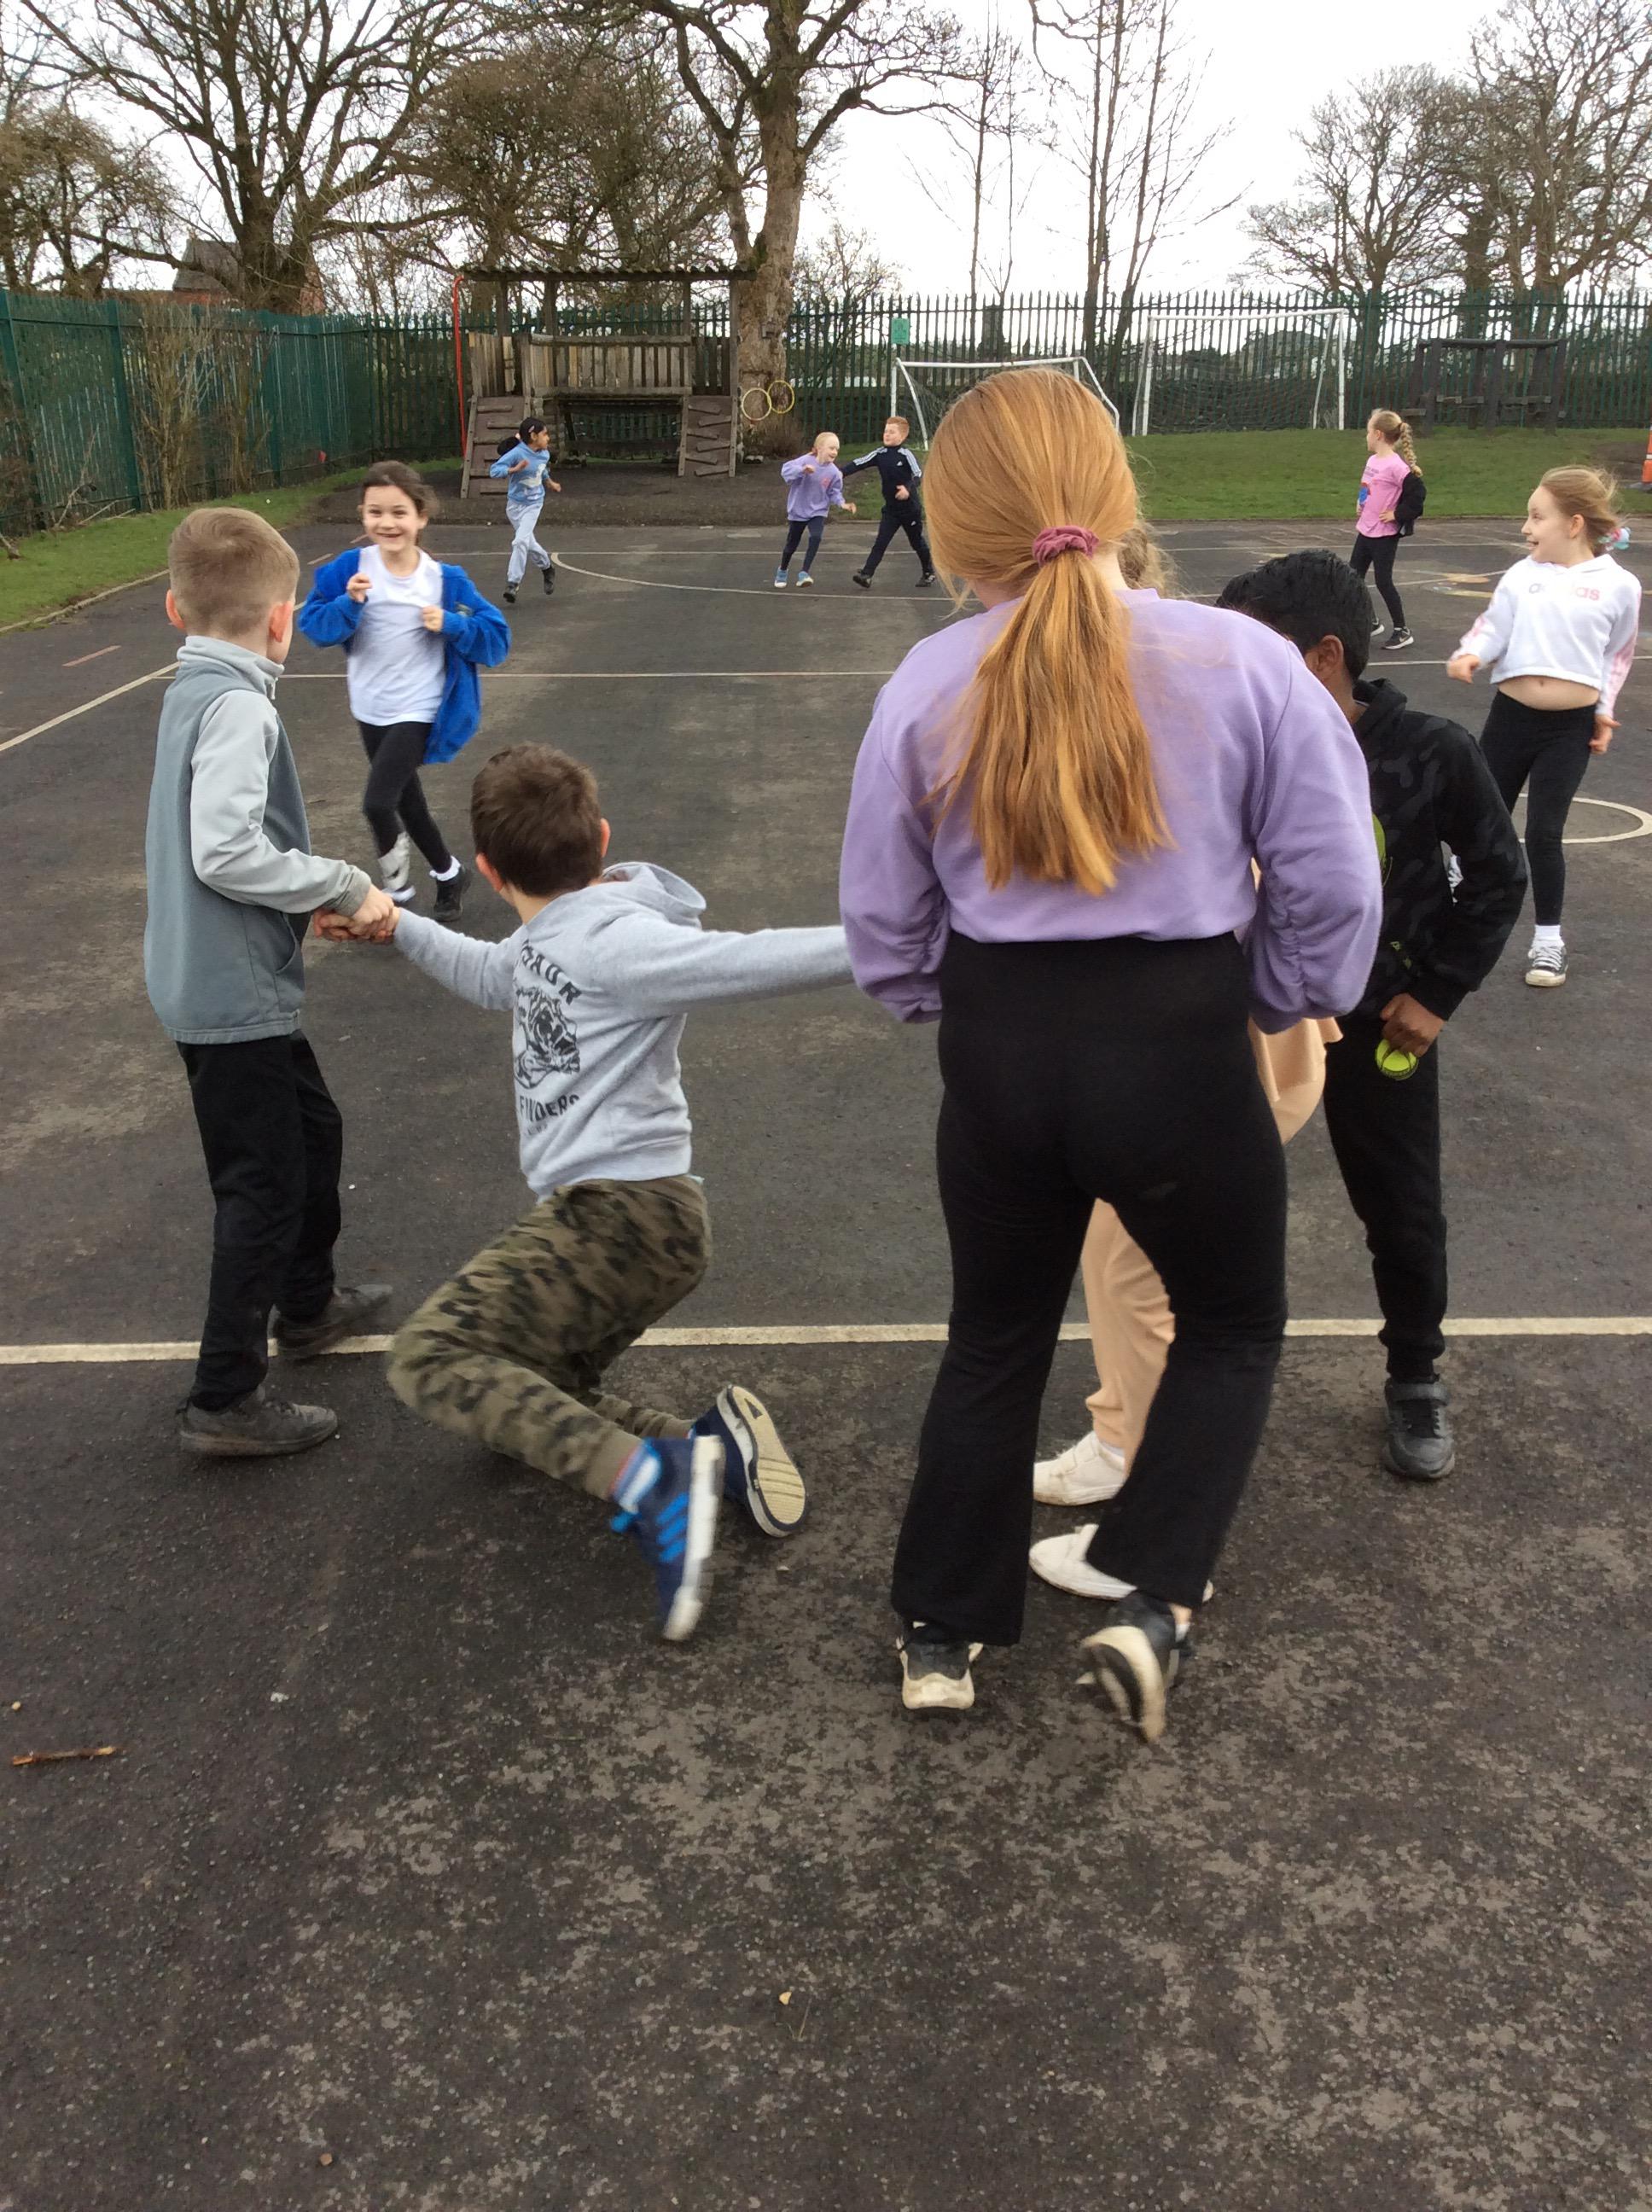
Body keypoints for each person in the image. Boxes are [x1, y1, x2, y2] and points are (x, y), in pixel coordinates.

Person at [839, 368, 1382, 1738]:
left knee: (994, 1336)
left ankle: (941, 1633)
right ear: (1116, 493)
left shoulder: (927, 680)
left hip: (1003, 1046)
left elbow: (885, 926)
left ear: (954, 528)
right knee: (1234, 1323)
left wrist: (954, 1012)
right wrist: (1275, 996)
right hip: (1180, 1039)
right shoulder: (1243, 660)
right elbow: (1334, 887)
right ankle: (1153, 1602)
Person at [317, 743, 852, 1642]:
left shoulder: (616, 941)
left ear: (486, 869)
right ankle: (703, 1450)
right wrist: (395, 925)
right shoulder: (546, 940)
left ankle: (655, 1484)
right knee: (526, 1395)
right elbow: (493, 975)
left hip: (621, 1217)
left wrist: (908, 943)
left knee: (430, 1359)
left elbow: (749, 960)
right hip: (638, 1222)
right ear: (600, 837)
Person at [1028, 520, 1337, 1588]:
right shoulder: (1140, 679)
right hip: (1178, 1028)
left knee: (1140, 1265)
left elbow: (1309, 870)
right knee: (1115, 1254)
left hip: (1222, 1031)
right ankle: (1122, 1437)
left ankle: (1158, 1537)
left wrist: (1285, 997)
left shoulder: (1189, 679)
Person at [1219, 549, 1527, 1480]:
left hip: (1380, 1020)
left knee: (1401, 1208)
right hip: (1253, 1020)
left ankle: (1415, 1375)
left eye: (1258, 654)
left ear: (1324, 656)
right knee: (1216, 1200)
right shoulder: (1237, 746)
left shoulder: (1429, 751)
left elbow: (1497, 877)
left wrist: (1435, 995)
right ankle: (1203, 1374)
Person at [143, 507, 399, 1458]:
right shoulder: (240, 705)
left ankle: (308, 1304)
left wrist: (298, 901)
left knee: (314, 1135)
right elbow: (223, 851)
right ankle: (225, 1396)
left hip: (225, 976)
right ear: (285, 618)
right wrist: (341, 883)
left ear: (176, 610)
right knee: (263, 1187)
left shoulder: (195, 684)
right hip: (229, 991)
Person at [1447, 467, 1641, 989]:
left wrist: (1603, 710)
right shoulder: (1520, 575)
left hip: (1569, 729)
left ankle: (1548, 943)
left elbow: (1616, 657)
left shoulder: (1620, 586)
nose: (1525, 527)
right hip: (1511, 719)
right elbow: (1493, 627)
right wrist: (1471, 653)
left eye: (1537, 517)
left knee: (1544, 833)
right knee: (1484, 821)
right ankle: (1455, 904)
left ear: (1574, 524)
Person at [298, 461, 509, 924]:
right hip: (369, 707)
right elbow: (314, 626)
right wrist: (347, 602)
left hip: (420, 708)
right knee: (407, 801)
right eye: (375, 512)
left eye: (399, 512)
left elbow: (496, 637)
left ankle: (396, 896)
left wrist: (451, 622)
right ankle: (450, 873)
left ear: (421, 517)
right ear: (362, 515)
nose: (387, 523)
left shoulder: (444, 581)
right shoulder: (349, 570)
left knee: (378, 802)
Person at [1349, 409, 1420, 652]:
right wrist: (1360, 502)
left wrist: (1397, 514)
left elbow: (1417, 496)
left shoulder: (1396, 467)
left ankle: (1402, 630)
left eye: (1368, 432)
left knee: (1383, 581)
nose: (1366, 436)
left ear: (1378, 434)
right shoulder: (1372, 461)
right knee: (1353, 577)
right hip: (1366, 529)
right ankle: (1371, 621)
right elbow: (1366, 485)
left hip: (1384, 535)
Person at [843, 415, 935, 590]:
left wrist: (907, 488)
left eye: (892, 432)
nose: (887, 435)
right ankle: (867, 575)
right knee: (881, 541)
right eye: (886, 431)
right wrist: (840, 473)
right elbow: (859, 463)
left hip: (910, 510)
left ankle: (928, 572)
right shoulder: (880, 454)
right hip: (891, 510)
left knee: (916, 542)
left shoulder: (906, 454)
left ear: (902, 436)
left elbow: (918, 474)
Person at [488, 416, 561, 604]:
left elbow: (541, 470)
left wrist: (550, 482)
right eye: (545, 434)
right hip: (515, 506)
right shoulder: (517, 453)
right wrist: (514, 469)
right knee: (529, 543)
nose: (548, 438)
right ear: (534, 436)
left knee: (520, 541)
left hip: (534, 505)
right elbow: (494, 471)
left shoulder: (544, 454)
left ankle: (513, 583)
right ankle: (547, 567)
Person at [775, 433, 855, 589]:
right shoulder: (805, 460)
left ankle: (804, 573)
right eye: (831, 448)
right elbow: (786, 470)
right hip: (798, 510)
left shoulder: (834, 472)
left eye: (837, 449)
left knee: (816, 537)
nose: (835, 452)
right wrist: (802, 470)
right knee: (791, 545)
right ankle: (783, 569)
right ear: (819, 448)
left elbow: (834, 492)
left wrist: (842, 503)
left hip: (818, 511)